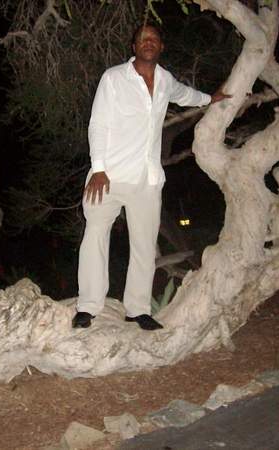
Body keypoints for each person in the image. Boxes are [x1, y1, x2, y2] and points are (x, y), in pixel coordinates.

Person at [73, 24, 229, 330]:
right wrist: (99, 168)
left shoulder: (165, 80)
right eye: (143, 39)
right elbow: (98, 123)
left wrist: (211, 98)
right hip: (108, 176)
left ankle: (138, 309)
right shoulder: (114, 78)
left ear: (160, 47)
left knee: (144, 245)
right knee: (95, 238)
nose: (148, 42)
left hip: (147, 179)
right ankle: (88, 307)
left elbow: (185, 94)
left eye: (154, 39)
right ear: (134, 46)